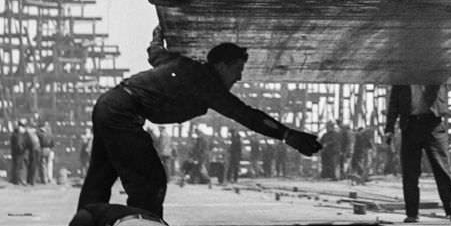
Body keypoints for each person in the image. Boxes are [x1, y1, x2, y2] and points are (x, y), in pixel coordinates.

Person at [78, 30, 322, 215]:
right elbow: (246, 114)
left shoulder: (184, 66)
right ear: (222, 65)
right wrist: (288, 135)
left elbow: (155, 54)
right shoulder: (207, 82)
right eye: (237, 69)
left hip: (110, 105)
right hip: (122, 112)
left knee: (100, 177)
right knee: (150, 182)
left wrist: (157, 34)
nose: (239, 76)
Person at [384, 84, 451, 223]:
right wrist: (389, 128)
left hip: (433, 124)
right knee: (410, 173)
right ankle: (412, 213)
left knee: (442, 169)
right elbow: (394, 103)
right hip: (410, 126)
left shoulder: (434, 71)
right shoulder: (403, 76)